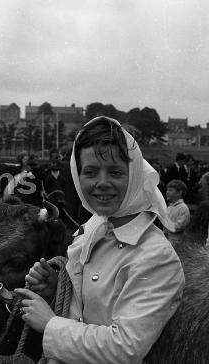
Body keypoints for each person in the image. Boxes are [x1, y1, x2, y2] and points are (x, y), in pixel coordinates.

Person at [17, 116, 184, 363]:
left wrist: (50, 324)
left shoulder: (156, 256)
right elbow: (88, 309)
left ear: (136, 175)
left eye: (115, 171)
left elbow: (125, 348)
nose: (102, 183)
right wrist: (56, 289)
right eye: (91, 171)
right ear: (77, 175)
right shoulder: (93, 227)